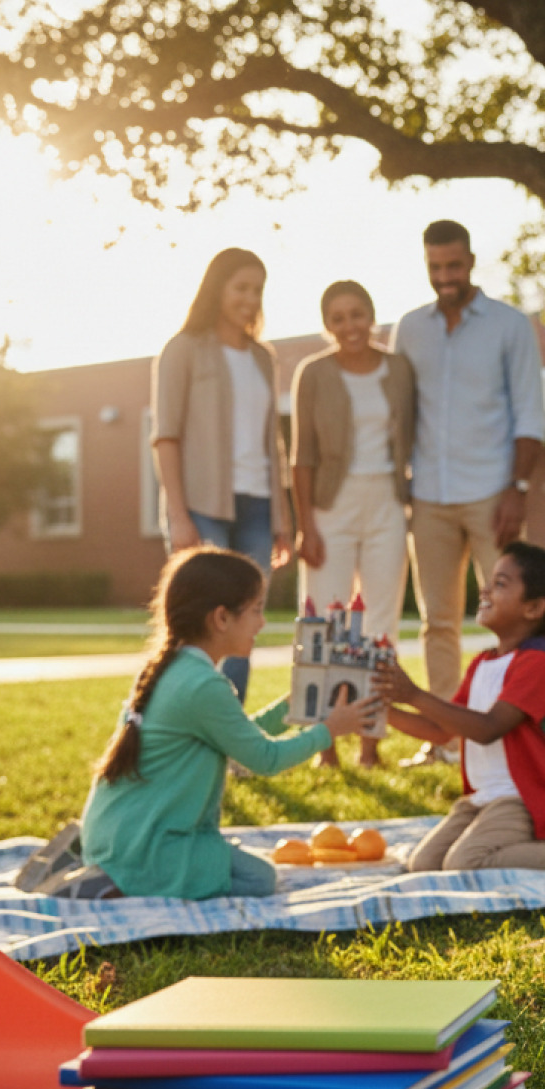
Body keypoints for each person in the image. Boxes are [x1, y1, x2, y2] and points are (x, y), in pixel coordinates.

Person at [81, 547, 380, 900]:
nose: (262, 623)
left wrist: (292, 706)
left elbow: (235, 736)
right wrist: (329, 730)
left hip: (113, 840)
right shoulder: (203, 685)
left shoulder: (174, 669)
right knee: (260, 878)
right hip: (145, 850)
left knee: (239, 866)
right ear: (221, 618)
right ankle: (136, 884)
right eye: (256, 610)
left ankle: (152, 871)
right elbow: (264, 758)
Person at [376, 541, 545, 869]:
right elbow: (441, 731)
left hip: (525, 799)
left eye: (500, 584)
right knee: (424, 864)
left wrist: (414, 695)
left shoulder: (540, 665)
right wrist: (382, 711)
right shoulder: (483, 663)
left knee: (464, 864)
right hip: (482, 799)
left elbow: (488, 729)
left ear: (534, 608)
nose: (485, 589)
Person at [393, 220, 545, 766]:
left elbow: (530, 412)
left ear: (472, 262)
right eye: (435, 268)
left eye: (453, 266)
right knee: (437, 620)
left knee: (511, 616)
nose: (444, 277)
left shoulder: (509, 326)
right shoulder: (409, 329)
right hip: (428, 496)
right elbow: (401, 413)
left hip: (492, 494)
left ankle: (509, 731)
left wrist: (518, 488)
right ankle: (447, 741)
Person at [150, 247, 292, 701]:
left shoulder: (262, 358)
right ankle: (186, 730)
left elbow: (274, 442)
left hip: (258, 507)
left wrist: (283, 518)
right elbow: (166, 436)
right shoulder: (182, 349)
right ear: (218, 289)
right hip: (201, 505)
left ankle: (232, 743)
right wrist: (178, 515)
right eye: (241, 288)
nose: (250, 299)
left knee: (243, 627)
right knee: (201, 627)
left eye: (258, 290)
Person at [291, 280, 417, 768]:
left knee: (380, 625)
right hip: (329, 507)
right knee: (325, 622)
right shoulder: (313, 373)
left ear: (372, 316)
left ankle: (371, 744)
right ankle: (325, 748)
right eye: (338, 318)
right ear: (328, 326)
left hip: (387, 502)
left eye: (357, 315)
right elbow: (301, 456)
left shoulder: (400, 369)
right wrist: (306, 525)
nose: (350, 327)